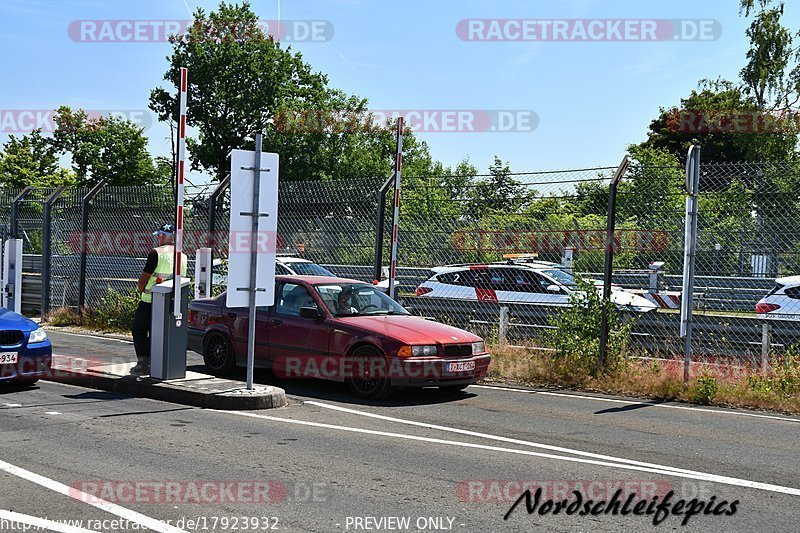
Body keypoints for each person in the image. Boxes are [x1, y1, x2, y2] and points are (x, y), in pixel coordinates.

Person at [130, 224, 185, 376]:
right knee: (160, 332)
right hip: (171, 301)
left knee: (139, 329)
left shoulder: (156, 253)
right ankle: (159, 362)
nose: (158, 238)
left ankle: (143, 363)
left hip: (149, 301)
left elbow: (143, 280)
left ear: (165, 236)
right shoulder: (182, 255)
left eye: (160, 235)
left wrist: (141, 290)